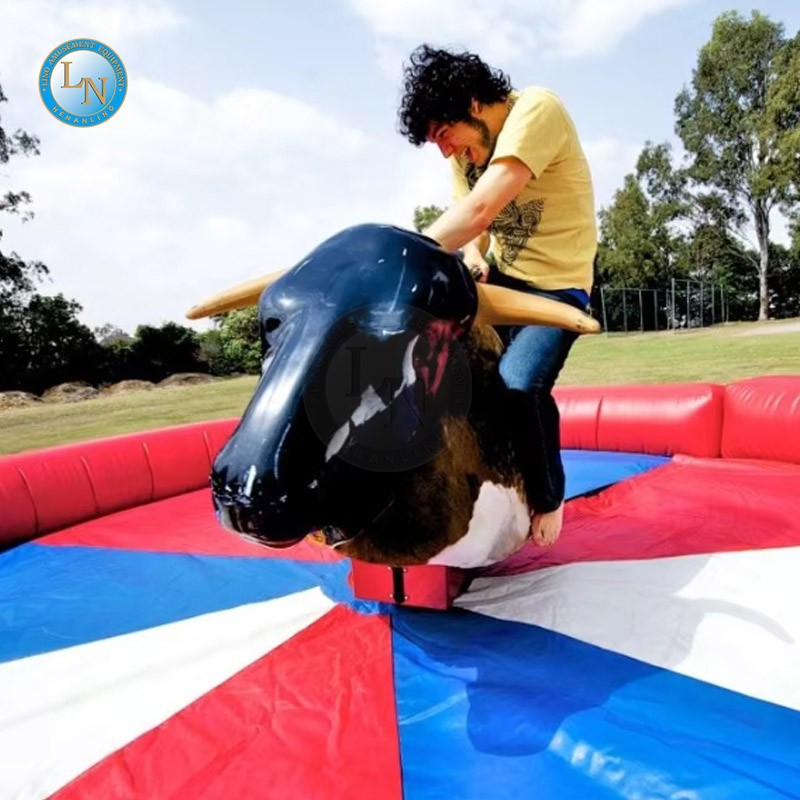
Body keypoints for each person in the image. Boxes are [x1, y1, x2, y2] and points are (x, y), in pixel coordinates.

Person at [397, 44, 598, 547]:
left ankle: (549, 495)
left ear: (471, 102)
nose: (446, 151)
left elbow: (482, 208)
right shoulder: (465, 156)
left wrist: (401, 256)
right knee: (436, 360)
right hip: (503, 280)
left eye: (444, 134)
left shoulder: (537, 110)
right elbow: (474, 229)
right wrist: (472, 256)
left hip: (557, 290)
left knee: (519, 382)